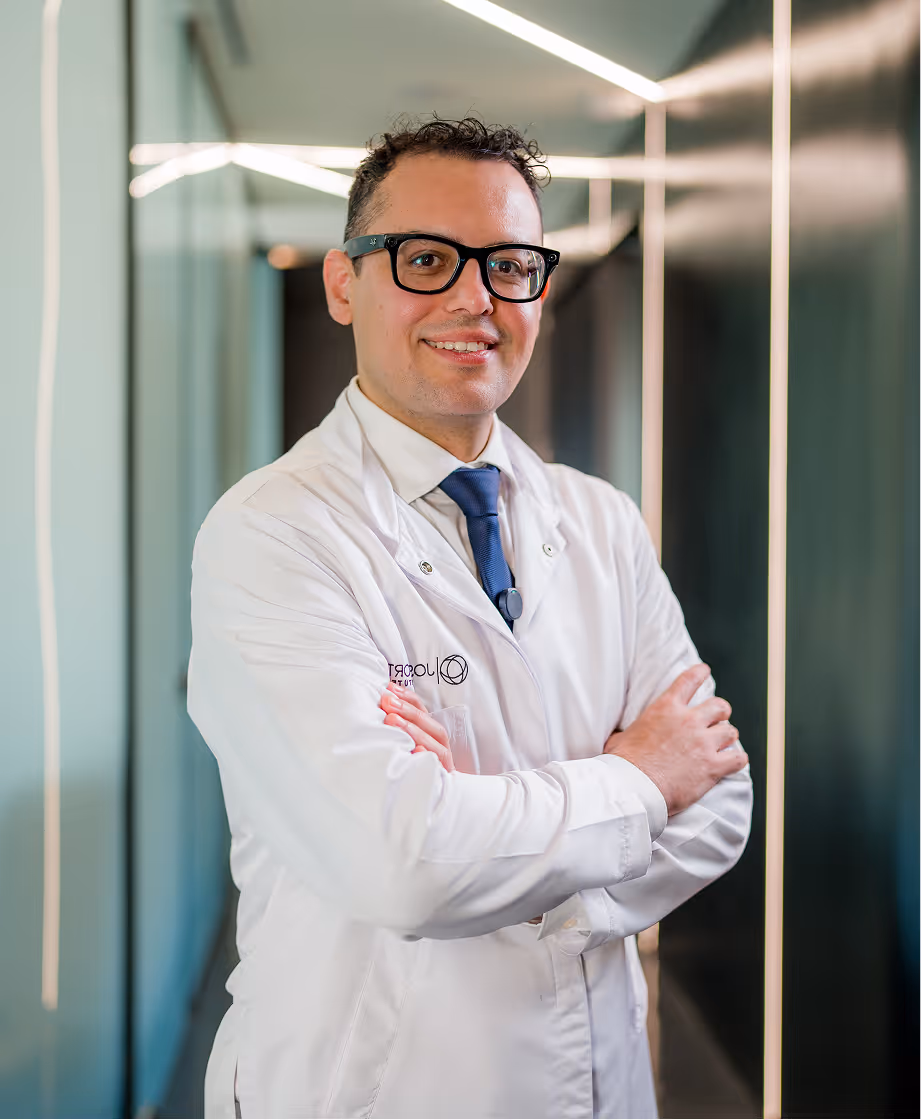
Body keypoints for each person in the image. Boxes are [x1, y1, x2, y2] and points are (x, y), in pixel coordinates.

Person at [188, 116, 752, 1120]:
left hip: (597, 1085)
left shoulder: (600, 522)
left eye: (510, 264)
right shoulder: (271, 535)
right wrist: (636, 781)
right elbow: (402, 864)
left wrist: (489, 855)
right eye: (425, 258)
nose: (474, 298)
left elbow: (719, 802)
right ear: (342, 283)